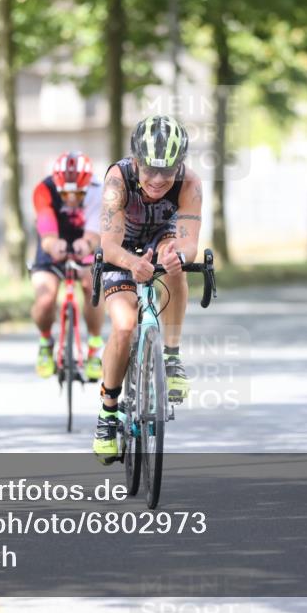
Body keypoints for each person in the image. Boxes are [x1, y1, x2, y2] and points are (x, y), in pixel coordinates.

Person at [92, 115, 203, 462]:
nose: (158, 180)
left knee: (175, 266)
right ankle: (108, 415)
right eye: (150, 170)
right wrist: (131, 264)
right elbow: (109, 246)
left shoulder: (190, 184)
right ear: (136, 161)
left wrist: (178, 258)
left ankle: (170, 357)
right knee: (124, 326)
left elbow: (189, 244)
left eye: (167, 171)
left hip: (162, 238)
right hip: (122, 248)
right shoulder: (117, 180)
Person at [30, 151, 105, 381]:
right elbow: (47, 231)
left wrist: (87, 244)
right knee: (45, 298)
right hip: (54, 241)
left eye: (78, 193)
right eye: (65, 193)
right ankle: (45, 341)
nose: (72, 199)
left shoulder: (98, 191)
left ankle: (94, 347)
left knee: (91, 287)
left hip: (85, 241)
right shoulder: (44, 190)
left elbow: (94, 233)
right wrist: (54, 245)